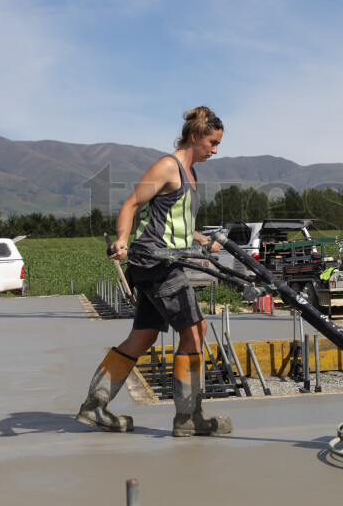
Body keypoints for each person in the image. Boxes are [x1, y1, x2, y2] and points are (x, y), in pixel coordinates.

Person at [76, 106, 231, 437]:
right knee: (196, 331)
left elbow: (178, 227)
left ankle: (94, 407)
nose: (215, 150)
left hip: (161, 263)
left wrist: (205, 241)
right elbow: (131, 204)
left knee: (142, 337)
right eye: (212, 142)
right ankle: (189, 417)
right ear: (195, 136)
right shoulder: (167, 166)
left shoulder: (190, 175)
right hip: (156, 264)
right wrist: (120, 240)